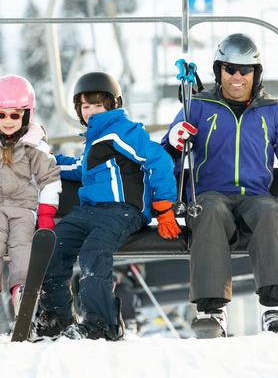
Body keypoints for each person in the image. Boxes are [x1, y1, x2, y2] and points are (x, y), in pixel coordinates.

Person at [162, 33, 278, 338]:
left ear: (256, 74)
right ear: (218, 71)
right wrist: (173, 144)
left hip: (255, 196)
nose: (237, 77)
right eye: (230, 69)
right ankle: (212, 312)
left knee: (275, 213)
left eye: (245, 70)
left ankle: (275, 310)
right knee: (208, 210)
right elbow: (163, 159)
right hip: (211, 194)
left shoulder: (275, 112)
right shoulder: (198, 106)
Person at [34, 71, 181, 341]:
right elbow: (81, 168)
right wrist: (45, 160)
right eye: (85, 106)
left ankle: (101, 323)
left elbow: (159, 159)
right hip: (91, 211)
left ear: (112, 105)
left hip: (122, 209)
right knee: (53, 245)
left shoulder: (121, 131)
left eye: (97, 104)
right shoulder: (95, 140)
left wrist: (163, 207)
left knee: (93, 252)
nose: (90, 111)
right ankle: (57, 317)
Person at [0, 75, 61, 327]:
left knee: (23, 244)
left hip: (23, 209)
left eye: (14, 115)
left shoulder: (34, 147)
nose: (7, 121)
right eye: (1, 115)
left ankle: (23, 291)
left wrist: (45, 215)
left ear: (27, 116)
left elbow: (51, 179)